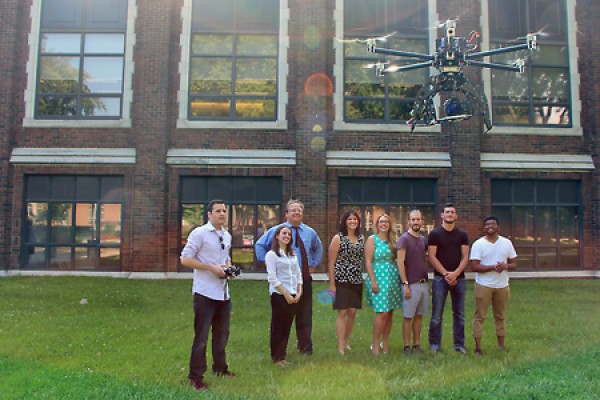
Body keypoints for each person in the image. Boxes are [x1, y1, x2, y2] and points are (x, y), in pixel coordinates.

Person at [180, 200, 236, 392]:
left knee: (222, 335)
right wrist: (210, 268)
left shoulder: (226, 235)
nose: (222, 214)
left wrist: (228, 267)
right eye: (218, 211)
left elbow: (225, 258)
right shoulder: (199, 233)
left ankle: (220, 368)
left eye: (224, 211)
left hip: (223, 293)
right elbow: (185, 259)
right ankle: (195, 377)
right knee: (201, 337)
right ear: (209, 214)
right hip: (205, 293)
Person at [255, 199, 323, 355]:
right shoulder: (278, 230)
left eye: (299, 210)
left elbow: (318, 248)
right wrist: (267, 262)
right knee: (282, 318)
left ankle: (305, 347)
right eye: (293, 210)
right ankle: (278, 351)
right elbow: (259, 245)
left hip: (302, 280)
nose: (296, 213)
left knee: (305, 315)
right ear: (286, 214)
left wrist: (313, 264)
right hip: (284, 281)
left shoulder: (310, 232)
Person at [470, 216, 517, 356]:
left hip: (502, 286)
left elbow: (514, 263)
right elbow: (474, 266)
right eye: (487, 224)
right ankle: (478, 348)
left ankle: (501, 346)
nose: (490, 226)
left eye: (493, 224)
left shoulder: (506, 243)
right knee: (480, 316)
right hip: (483, 285)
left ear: (498, 227)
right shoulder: (478, 244)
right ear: (484, 228)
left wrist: (505, 266)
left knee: (500, 316)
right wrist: (493, 267)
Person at [427, 203, 470, 354]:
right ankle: (434, 345)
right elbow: (431, 257)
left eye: (452, 212)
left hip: (460, 279)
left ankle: (459, 345)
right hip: (440, 279)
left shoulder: (462, 235)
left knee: (459, 314)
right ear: (442, 215)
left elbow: (465, 257)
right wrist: (446, 274)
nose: (450, 215)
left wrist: (455, 274)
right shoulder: (435, 234)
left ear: (456, 216)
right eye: (447, 212)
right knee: (437, 314)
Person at [328, 210, 365, 355]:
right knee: (342, 311)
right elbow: (331, 262)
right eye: (349, 219)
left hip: (356, 278)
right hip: (341, 279)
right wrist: (332, 284)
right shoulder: (338, 238)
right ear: (344, 222)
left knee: (353, 312)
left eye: (355, 219)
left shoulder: (361, 238)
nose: (352, 221)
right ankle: (340, 347)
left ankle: (346, 340)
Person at [365, 213, 402, 356]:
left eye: (386, 221)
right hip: (378, 278)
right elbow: (368, 261)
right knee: (382, 313)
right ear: (377, 224)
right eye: (381, 221)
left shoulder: (394, 240)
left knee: (390, 313)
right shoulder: (372, 239)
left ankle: (385, 342)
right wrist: (373, 281)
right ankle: (374, 344)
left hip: (392, 278)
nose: (383, 224)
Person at [266, 225, 303, 366]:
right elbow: (272, 277)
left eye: (289, 234)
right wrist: (286, 293)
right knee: (278, 326)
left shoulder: (292, 254)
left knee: (287, 326)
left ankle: (282, 355)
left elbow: (298, 273)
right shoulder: (272, 255)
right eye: (284, 233)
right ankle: (276, 357)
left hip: (294, 294)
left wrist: (299, 291)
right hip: (279, 294)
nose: (286, 236)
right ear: (277, 236)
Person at [396, 209, 428, 355]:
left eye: (418, 219)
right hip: (411, 283)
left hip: (423, 283)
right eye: (413, 219)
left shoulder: (422, 240)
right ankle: (406, 345)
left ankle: (417, 344)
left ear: (422, 221)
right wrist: (405, 284)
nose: (416, 222)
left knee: (419, 315)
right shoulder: (404, 239)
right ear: (408, 221)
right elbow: (400, 262)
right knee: (408, 316)